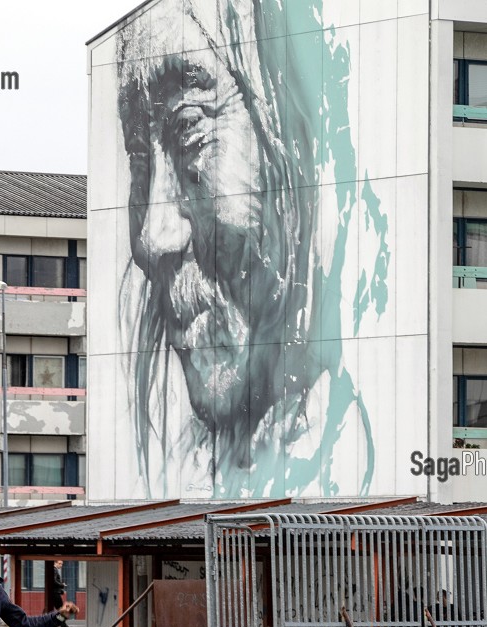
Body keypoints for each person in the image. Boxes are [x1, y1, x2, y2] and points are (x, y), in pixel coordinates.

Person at [113, 0, 385, 498]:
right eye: (138, 160)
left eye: (191, 134)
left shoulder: (350, 460)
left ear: (296, 142)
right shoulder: (190, 475)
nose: (152, 236)